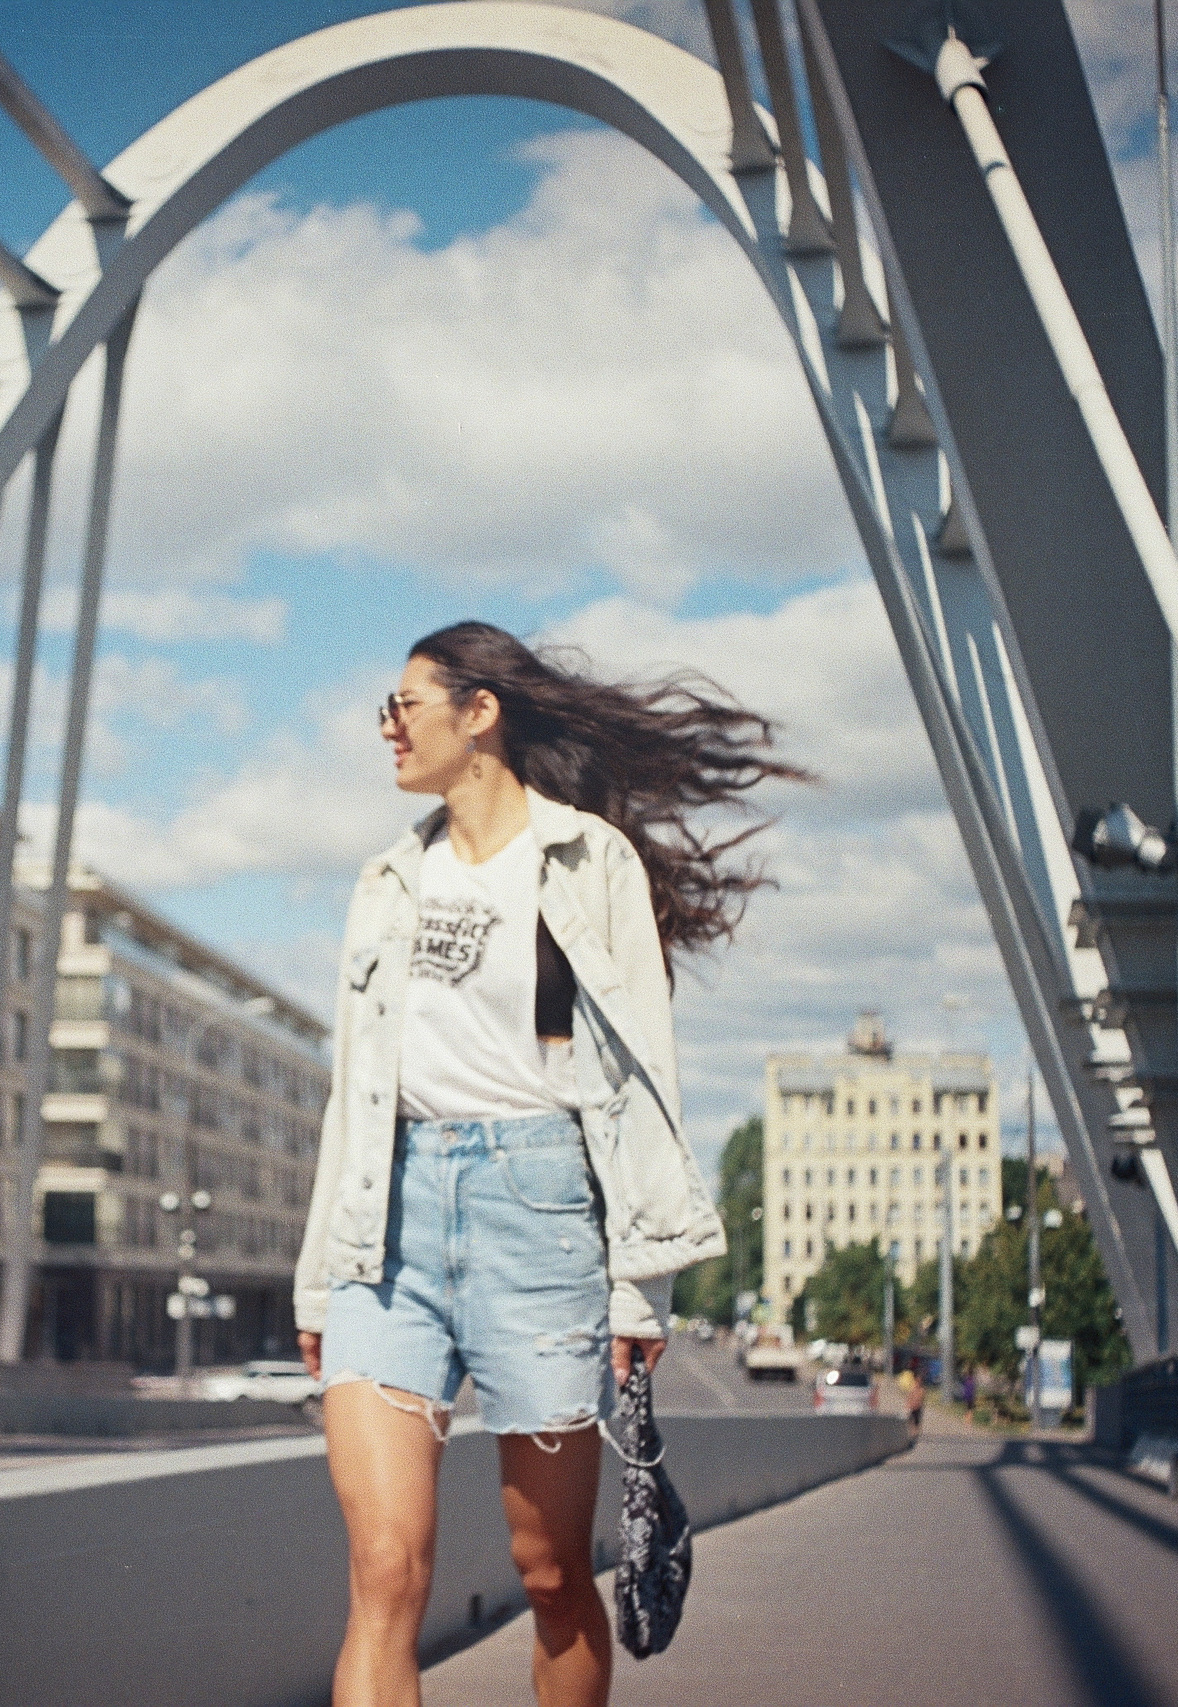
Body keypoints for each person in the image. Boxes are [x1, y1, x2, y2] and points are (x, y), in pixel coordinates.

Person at [295, 621, 805, 1706]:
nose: (387, 728)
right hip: (388, 1228)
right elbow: (355, 1090)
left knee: (551, 1571)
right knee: (384, 1569)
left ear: (479, 712)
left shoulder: (587, 859)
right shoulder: (387, 878)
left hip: (540, 1211)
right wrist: (316, 1278)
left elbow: (641, 1078)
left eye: (402, 705)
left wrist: (641, 1286)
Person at [897, 1363, 925, 1437]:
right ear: (915, 1379)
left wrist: (918, 1403)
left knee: (917, 1421)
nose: (919, 1381)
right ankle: (912, 1433)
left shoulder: (922, 1389)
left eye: (921, 1379)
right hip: (912, 1407)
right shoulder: (913, 1387)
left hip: (918, 1408)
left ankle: (915, 1433)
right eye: (918, 1379)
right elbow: (909, 1397)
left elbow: (921, 1398)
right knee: (910, 1421)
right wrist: (908, 1405)